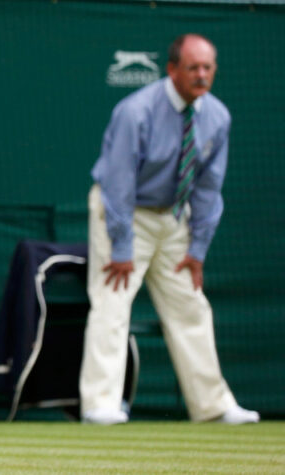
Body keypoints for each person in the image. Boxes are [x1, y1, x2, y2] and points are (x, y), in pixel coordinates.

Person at [79, 34, 258, 426]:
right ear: (172, 69)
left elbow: (209, 188)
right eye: (193, 67)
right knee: (112, 303)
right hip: (122, 212)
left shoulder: (218, 117)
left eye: (207, 67)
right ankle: (100, 405)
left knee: (191, 305)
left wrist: (198, 249)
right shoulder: (136, 111)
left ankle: (212, 406)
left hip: (175, 218)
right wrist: (122, 247)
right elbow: (118, 184)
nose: (201, 74)